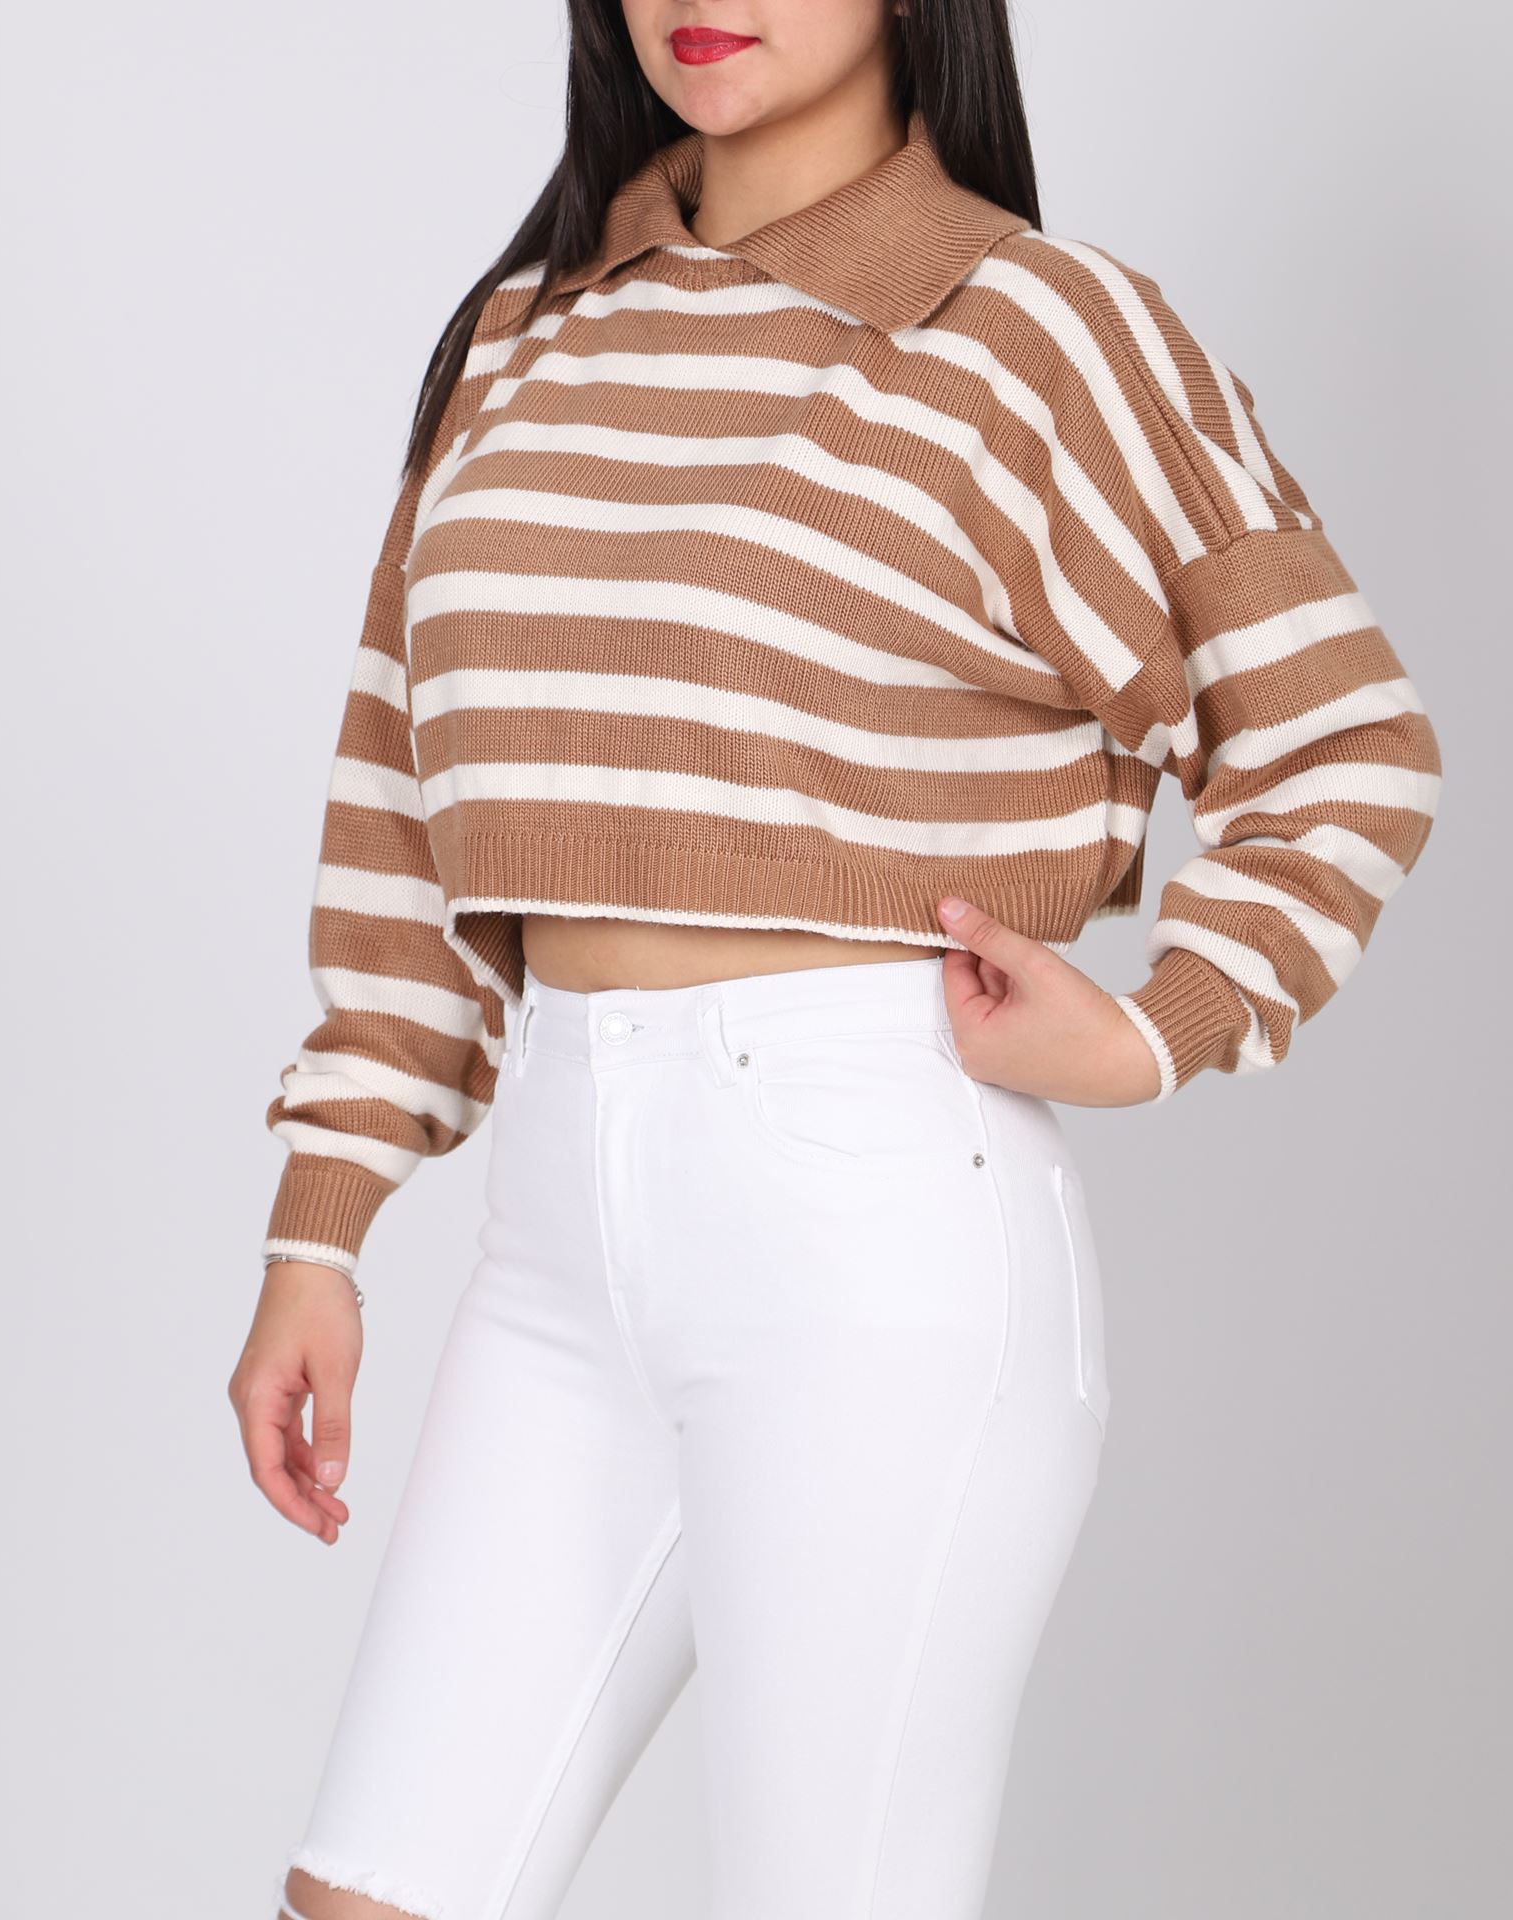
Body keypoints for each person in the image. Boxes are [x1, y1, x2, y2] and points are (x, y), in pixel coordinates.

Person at [228, 3, 1443, 1916]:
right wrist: (323, 1223)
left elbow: (1343, 738)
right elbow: (400, 794)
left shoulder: (1039, 331)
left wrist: (1155, 1028)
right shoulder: (528, 336)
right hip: (556, 1252)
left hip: (871, 1238)